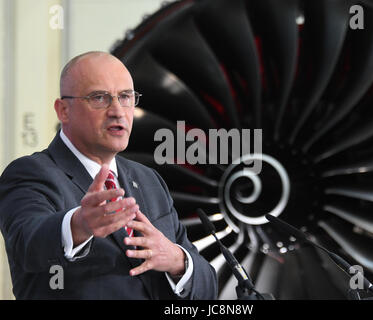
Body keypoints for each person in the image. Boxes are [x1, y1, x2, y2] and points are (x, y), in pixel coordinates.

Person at [0, 51, 218, 299]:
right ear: (63, 111)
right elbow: (26, 244)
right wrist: (78, 225)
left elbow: (208, 288)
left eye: (125, 97)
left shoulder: (149, 180)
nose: (117, 111)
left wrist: (177, 260)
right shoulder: (30, 173)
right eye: (99, 98)